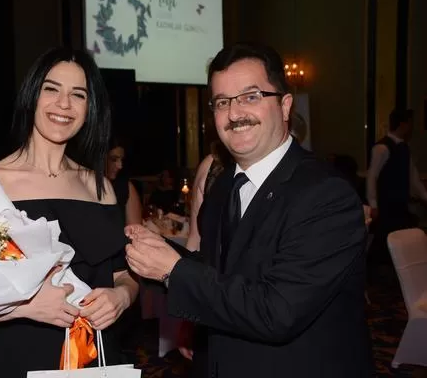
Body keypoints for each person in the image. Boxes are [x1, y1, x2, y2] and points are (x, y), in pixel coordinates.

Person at [125, 42, 373, 377]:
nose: (234, 113)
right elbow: (221, 271)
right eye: (222, 102)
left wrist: (173, 271)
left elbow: (278, 312)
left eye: (250, 97)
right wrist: (160, 253)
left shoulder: (326, 194)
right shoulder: (224, 186)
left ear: (285, 106)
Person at [0, 47, 139, 377]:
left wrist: (122, 296)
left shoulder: (100, 187)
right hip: (15, 358)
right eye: (51, 89)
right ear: (32, 95)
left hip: (94, 358)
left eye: (78, 94)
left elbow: (123, 273)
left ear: (90, 108)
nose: (64, 104)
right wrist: (23, 307)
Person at [366, 108, 427, 264]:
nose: (411, 127)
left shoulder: (404, 148)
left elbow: (413, 177)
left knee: (398, 241)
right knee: (384, 242)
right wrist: (373, 204)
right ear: (403, 125)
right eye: (410, 123)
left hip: (400, 205)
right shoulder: (382, 148)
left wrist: (425, 197)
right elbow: (372, 177)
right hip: (386, 206)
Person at [106, 138, 143, 226]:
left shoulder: (125, 187)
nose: (120, 166)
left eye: (121, 160)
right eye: (113, 159)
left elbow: (135, 231)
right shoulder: (83, 186)